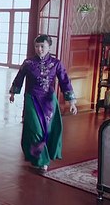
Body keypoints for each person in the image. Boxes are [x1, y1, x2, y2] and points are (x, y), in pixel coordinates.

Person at [9, 34, 77, 174]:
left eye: (42, 46)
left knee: (48, 130)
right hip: (32, 98)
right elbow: (19, 77)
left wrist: (71, 102)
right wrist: (13, 93)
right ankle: (42, 162)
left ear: (49, 47)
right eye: (37, 46)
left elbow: (65, 81)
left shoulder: (56, 63)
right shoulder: (28, 63)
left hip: (48, 101)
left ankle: (42, 159)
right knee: (35, 130)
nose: (39, 49)